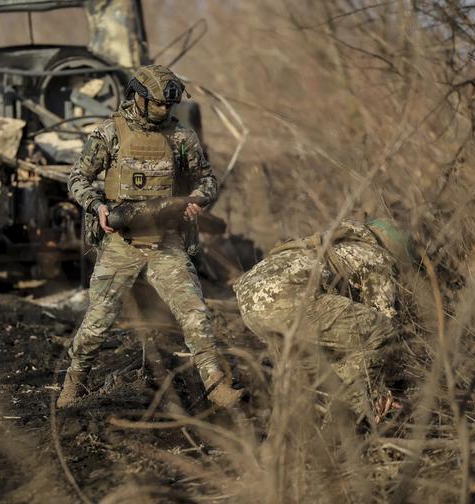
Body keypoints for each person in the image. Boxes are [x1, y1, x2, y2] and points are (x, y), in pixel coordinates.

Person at [57, 64, 241, 409]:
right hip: (121, 244)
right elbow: (77, 178)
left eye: (168, 105)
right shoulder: (111, 133)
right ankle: (75, 380)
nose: (163, 110)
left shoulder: (181, 136)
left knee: (195, 314)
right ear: (138, 98)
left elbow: (207, 180)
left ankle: (216, 385)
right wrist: (96, 206)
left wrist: (197, 201)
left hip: (166, 243)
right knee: (97, 324)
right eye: (157, 103)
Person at [233, 219, 415, 422]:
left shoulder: (333, 243)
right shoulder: (376, 256)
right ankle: (342, 425)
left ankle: (282, 443)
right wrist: (392, 385)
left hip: (250, 302)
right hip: (287, 297)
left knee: (304, 376)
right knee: (380, 330)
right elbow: (385, 325)